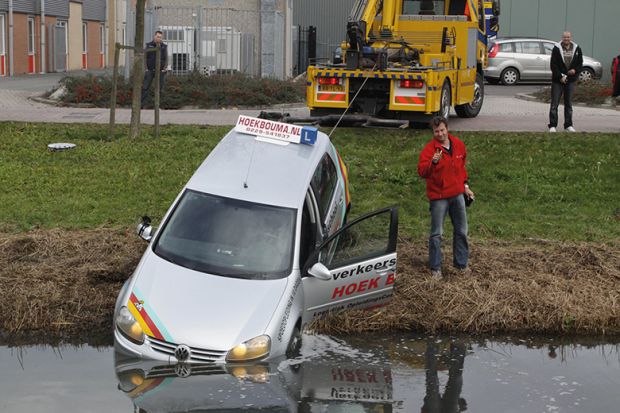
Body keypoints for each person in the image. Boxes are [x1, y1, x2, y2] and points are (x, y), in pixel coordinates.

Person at [418, 116, 474, 280]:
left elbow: (461, 168)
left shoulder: (458, 145)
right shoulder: (430, 150)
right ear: (433, 132)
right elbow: (422, 172)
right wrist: (432, 163)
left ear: (447, 129)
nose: (440, 134)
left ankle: (461, 264)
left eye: (442, 130)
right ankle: (436, 268)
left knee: (462, 231)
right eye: (436, 131)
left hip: (457, 194)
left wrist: (466, 187)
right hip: (439, 197)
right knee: (437, 234)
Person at [548, 31, 583, 132]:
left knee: (568, 104)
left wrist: (575, 70)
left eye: (568, 37)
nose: (566, 39)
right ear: (562, 38)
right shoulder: (556, 48)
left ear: (570, 38)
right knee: (554, 104)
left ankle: (568, 125)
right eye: (564, 37)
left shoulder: (577, 48)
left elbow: (580, 63)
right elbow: (553, 65)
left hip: (570, 80)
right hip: (557, 80)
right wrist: (560, 76)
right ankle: (552, 125)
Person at [141, 31, 168, 108]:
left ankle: (157, 105)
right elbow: (145, 57)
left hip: (160, 71)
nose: (159, 38)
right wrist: (146, 68)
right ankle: (142, 105)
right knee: (145, 87)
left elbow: (166, 58)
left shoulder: (163, 46)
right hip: (150, 70)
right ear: (154, 36)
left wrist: (164, 68)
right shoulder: (149, 45)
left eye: (160, 37)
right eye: (157, 36)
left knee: (159, 88)